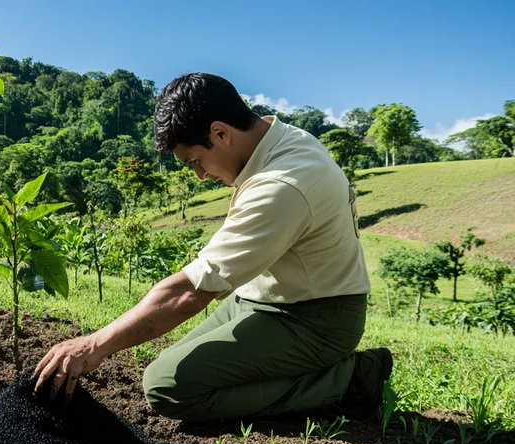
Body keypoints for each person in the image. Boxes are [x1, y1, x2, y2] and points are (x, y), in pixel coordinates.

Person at [34, 73, 392, 422]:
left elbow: (189, 292)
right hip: (259, 298)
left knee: (166, 387)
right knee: (177, 365)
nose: (200, 176)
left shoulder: (282, 184)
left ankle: (351, 379)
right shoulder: (277, 138)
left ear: (221, 132)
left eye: (194, 161)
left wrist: (94, 345)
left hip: (316, 319)